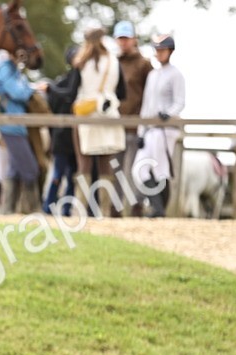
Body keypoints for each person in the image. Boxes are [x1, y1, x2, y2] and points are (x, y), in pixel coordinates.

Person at [72, 27, 124, 217]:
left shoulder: (81, 62)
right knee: (105, 165)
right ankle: (104, 211)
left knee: (84, 164)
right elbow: (122, 92)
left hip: (86, 117)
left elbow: (71, 92)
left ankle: (79, 211)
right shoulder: (113, 61)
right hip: (108, 114)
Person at [134, 35, 185, 217]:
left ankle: (159, 209)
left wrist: (169, 113)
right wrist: (141, 131)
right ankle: (158, 208)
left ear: (169, 52)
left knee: (160, 169)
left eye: (162, 50)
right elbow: (146, 105)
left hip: (165, 128)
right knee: (140, 168)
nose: (159, 53)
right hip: (150, 128)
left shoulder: (175, 74)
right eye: (157, 50)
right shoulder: (153, 75)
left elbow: (180, 101)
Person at [0, 50, 38, 214]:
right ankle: (33, 210)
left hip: (16, 125)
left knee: (15, 169)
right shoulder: (5, 68)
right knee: (30, 169)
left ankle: (8, 211)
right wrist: (31, 90)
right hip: (11, 126)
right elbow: (18, 92)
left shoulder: (11, 69)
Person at [114, 20, 152, 211]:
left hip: (136, 126)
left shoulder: (144, 65)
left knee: (133, 169)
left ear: (134, 40)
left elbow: (150, 94)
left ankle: (135, 206)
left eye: (126, 39)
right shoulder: (113, 63)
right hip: (116, 127)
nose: (123, 43)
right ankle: (116, 208)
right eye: (120, 39)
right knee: (116, 169)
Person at [43, 44, 80, 214]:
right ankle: (50, 206)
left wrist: (51, 88)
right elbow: (58, 99)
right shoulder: (65, 80)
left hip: (73, 135)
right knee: (59, 173)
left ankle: (65, 209)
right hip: (62, 135)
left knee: (71, 174)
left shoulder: (74, 79)